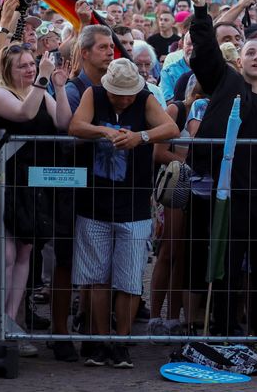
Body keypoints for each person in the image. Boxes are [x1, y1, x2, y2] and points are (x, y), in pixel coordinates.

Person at [185, 0, 257, 336]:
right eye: (251, 52)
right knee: (226, 269)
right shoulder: (225, 84)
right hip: (228, 196)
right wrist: (202, 11)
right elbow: (203, 49)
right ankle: (225, 334)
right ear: (240, 59)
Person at [68, 58, 178, 368]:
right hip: (95, 200)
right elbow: (75, 125)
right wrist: (103, 130)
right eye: (120, 93)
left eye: (130, 93)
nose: (125, 99)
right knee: (97, 277)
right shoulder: (94, 94)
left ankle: (122, 340)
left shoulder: (144, 98)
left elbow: (171, 127)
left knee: (130, 278)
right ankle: (102, 340)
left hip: (134, 202)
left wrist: (141, 137)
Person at [0, 44, 71, 358]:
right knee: (6, 255)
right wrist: (43, 81)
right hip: (6, 183)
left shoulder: (41, 89)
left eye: (31, 64)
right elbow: (25, 113)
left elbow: (63, 122)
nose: (30, 69)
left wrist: (59, 88)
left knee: (24, 252)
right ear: (8, 70)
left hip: (34, 184)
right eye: (22, 66)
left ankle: (10, 319)